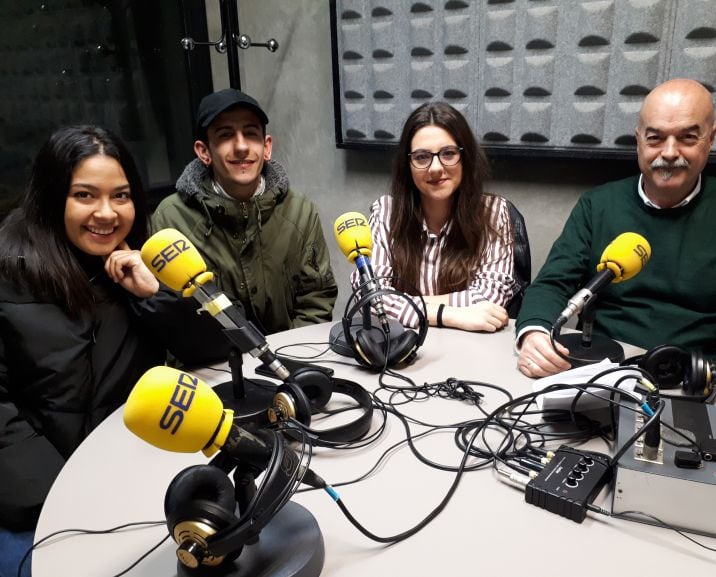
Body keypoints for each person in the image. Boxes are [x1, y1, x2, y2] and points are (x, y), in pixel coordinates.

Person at [515, 78, 716, 405]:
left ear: (711, 138)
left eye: (687, 137)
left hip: (690, 386)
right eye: (656, 138)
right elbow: (552, 283)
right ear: (638, 140)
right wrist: (534, 332)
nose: (669, 152)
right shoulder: (598, 206)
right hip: (605, 376)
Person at [0, 125, 167, 577]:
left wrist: (157, 295)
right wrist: (67, 492)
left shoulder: (140, 262)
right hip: (35, 500)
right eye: (85, 196)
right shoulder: (9, 270)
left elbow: (211, 352)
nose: (107, 214)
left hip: (127, 482)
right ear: (54, 198)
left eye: (122, 196)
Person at [151, 88, 338, 335]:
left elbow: (316, 299)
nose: (241, 146)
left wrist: (288, 360)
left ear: (267, 147)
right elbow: (174, 316)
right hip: (214, 365)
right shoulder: (172, 218)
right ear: (204, 151)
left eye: (250, 134)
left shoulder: (301, 212)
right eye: (226, 135)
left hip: (290, 356)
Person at [360, 101, 516, 332]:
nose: (435, 168)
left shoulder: (493, 212)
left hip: (470, 349)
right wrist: (449, 314)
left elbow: (490, 299)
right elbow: (370, 297)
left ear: (465, 158)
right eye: (422, 157)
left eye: (448, 153)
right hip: (403, 348)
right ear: (408, 164)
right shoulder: (386, 211)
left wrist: (401, 301)